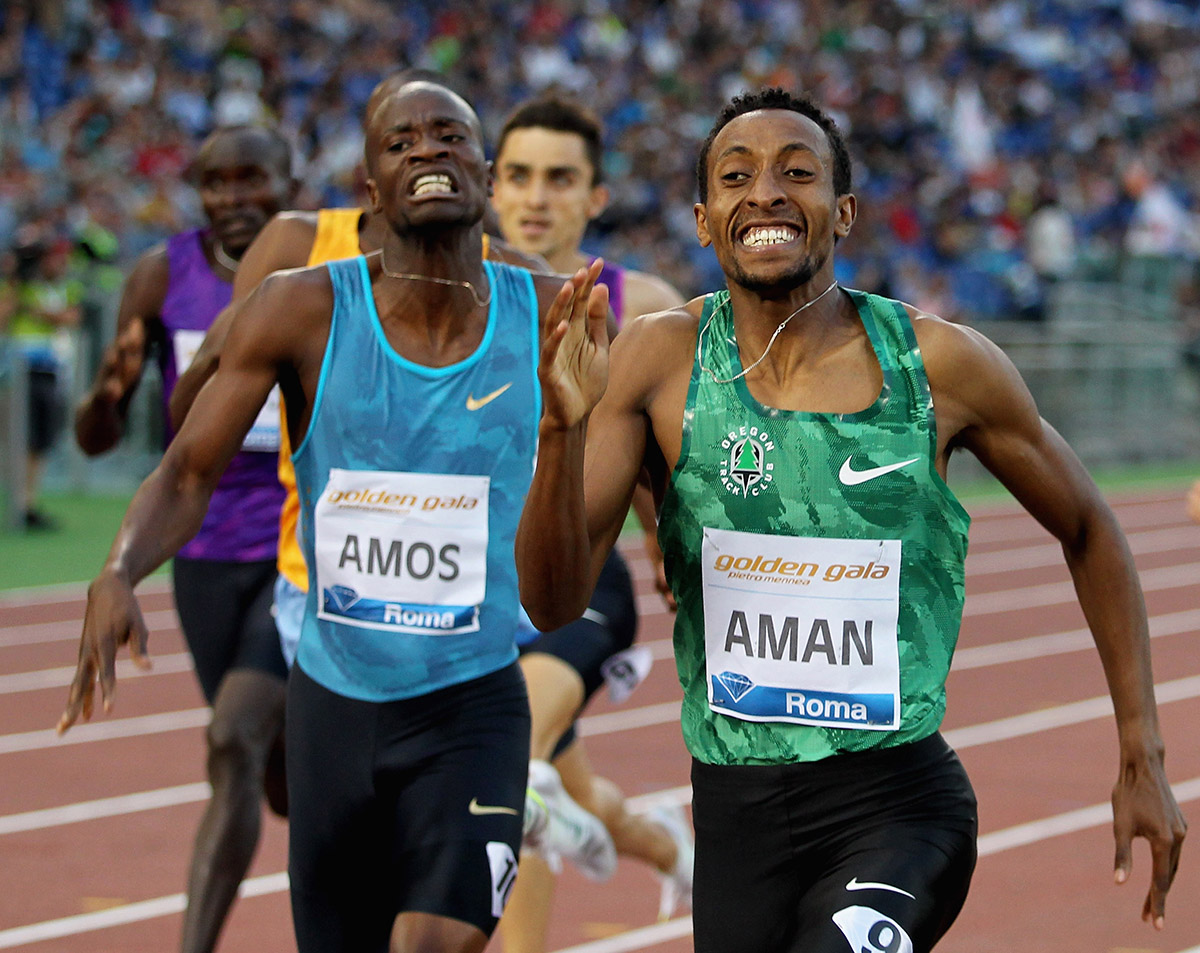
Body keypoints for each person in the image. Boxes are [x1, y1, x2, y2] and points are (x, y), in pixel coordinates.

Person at [515, 87, 1187, 952]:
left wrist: (1143, 750)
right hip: (734, 810)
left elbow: (1091, 525)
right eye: (736, 176)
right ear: (702, 217)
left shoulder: (939, 364)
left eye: (797, 173)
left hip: (897, 804)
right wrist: (560, 432)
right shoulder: (658, 358)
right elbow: (552, 602)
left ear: (842, 213)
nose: (764, 192)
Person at [59, 78, 615, 953]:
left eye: (451, 136)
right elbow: (187, 468)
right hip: (333, 709)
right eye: (402, 144)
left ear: (482, 168)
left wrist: (563, 425)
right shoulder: (302, 307)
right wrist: (120, 567)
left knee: (433, 943)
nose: (429, 150)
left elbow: (551, 602)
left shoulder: (550, 315)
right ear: (370, 187)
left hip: (472, 708)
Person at [71, 123, 295, 953]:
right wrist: (110, 389)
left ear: (291, 180)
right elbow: (100, 436)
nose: (235, 200)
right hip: (200, 555)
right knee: (276, 778)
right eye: (217, 184)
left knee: (232, 737)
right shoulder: (161, 275)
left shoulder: (321, 267)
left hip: (298, 548)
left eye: (254, 180)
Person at [490, 94, 693, 950]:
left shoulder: (641, 301)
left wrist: (669, 545)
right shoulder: (454, 289)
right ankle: (656, 838)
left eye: (561, 179)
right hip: (471, 579)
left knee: (511, 763)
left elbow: (676, 451)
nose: (537, 197)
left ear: (596, 197)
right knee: (558, 783)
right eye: (519, 176)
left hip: (580, 573)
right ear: (490, 186)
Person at [3, 235, 82, 530]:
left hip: (49, 370)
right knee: (17, 438)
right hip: (17, 372)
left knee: (39, 439)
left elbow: (71, 317)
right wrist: (15, 287)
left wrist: (35, 310)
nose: (58, 264)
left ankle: (27, 502)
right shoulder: (17, 287)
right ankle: (17, 501)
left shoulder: (64, 288)